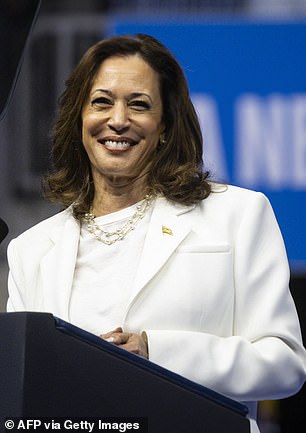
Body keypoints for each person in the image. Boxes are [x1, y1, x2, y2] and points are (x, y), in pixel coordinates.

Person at [7, 34, 306, 432]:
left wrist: (156, 352)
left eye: (139, 104)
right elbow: (21, 387)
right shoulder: (32, 250)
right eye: (101, 101)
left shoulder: (237, 214)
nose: (118, 119)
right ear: (79, 119)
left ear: (164, 125)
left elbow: (284, 363)